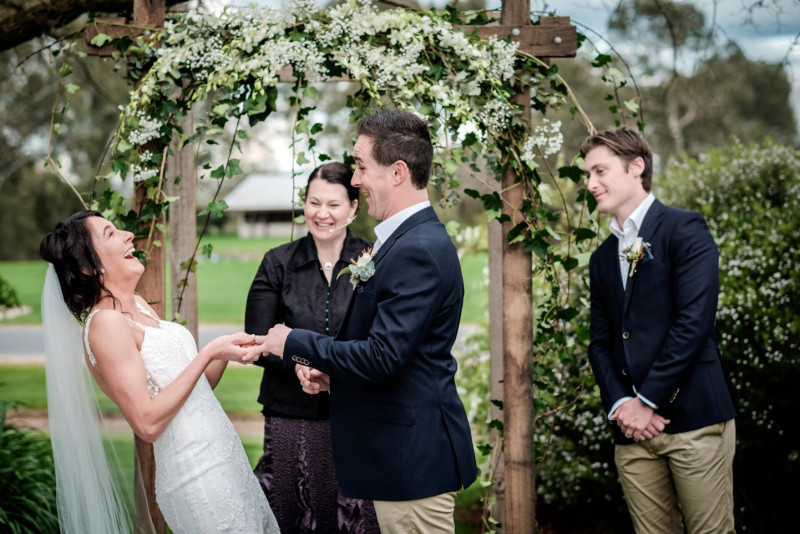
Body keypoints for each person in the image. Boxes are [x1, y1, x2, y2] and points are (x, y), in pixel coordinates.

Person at [247, 109, 478, 534]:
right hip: (398, 461)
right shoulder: (406, 241)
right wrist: (336, 378)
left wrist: (292, 340)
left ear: (397, 172)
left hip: (410, 465)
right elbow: (401, 358)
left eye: (360, 165)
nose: (354, 179)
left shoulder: (417, 249)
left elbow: (384, 356)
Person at [39, 210, 279, 534]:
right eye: (110, 233)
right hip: (194, 474)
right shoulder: (105, 324)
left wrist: (225, 352)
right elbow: (147, 422)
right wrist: (207, 352)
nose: (128, 235)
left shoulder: (137, 304)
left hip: (222, 455)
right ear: (88, 266)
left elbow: (196, 390)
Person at [582, 127, 737, 533]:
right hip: (631, 435)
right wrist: (622, 406)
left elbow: (694, 324)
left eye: (600, 171)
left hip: (695, 420)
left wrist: (648, 400)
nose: (591, 184)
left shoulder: (684, 229)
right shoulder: (601, 259)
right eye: (587, 175)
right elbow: (600, 343)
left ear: (637, 167)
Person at [244, 161, 380, 533]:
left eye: (334, 205)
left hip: (354, 413)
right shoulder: (277, 262)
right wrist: (301, 366)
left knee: (355, 518)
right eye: (313, 202)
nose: (322, 214)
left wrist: (337, 369)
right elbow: (257, 337)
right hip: (290, 413)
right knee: (290, 511)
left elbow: (381, 337)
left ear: (353, 207)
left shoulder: (376, 259)